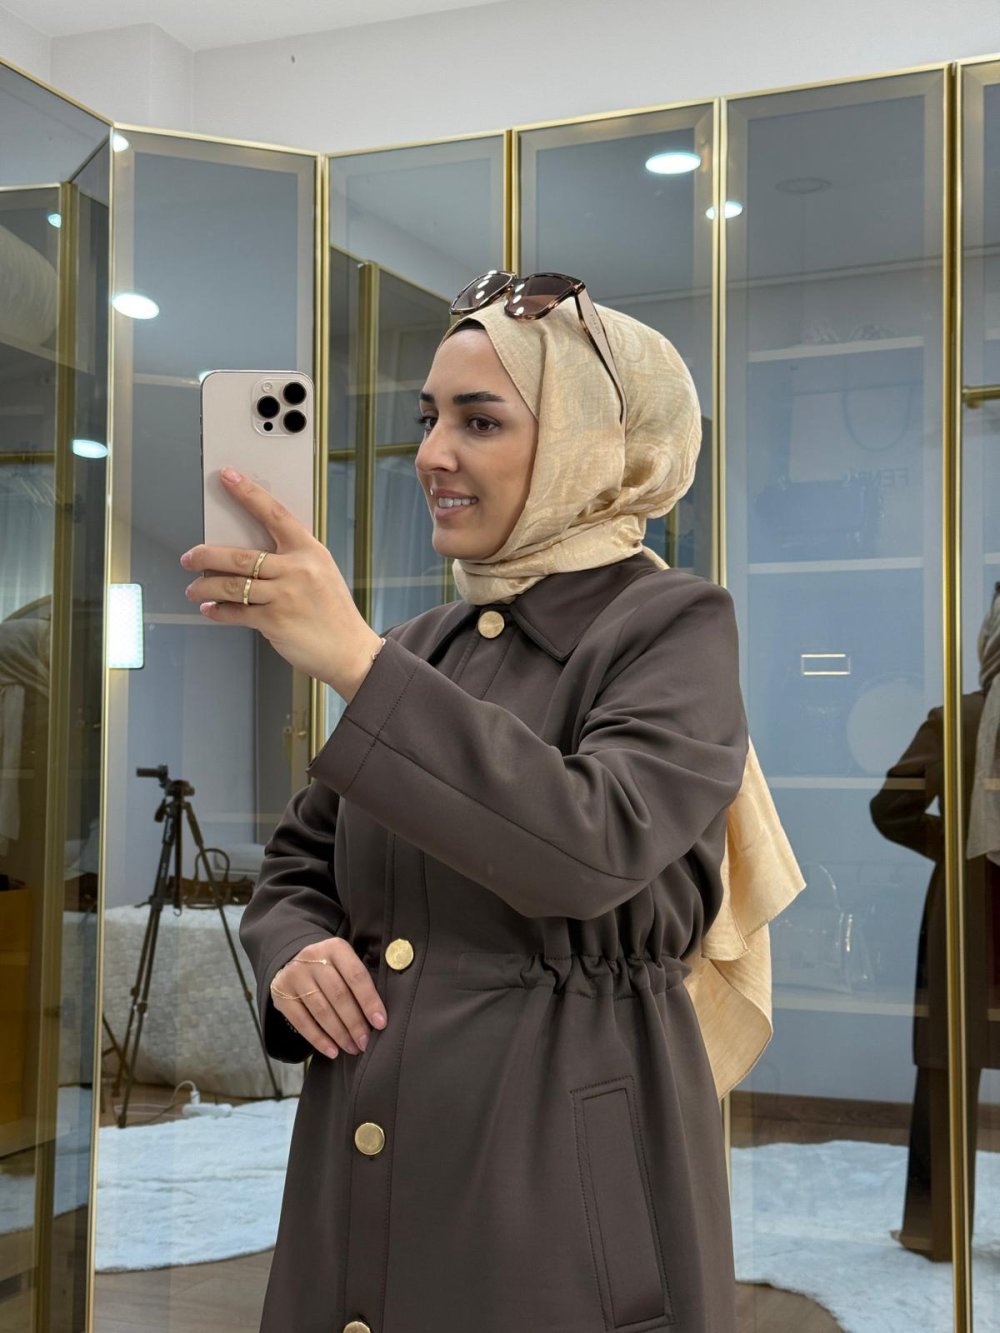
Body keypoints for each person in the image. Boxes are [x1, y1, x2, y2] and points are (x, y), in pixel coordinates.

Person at [179, 271, 803, 1333]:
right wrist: (294, 947)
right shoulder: (422, 646)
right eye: (428, 418)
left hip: (558, 1178)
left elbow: (590, 844)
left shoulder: (671, 625)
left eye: (479, 420)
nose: (432, 454)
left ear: (594, 443)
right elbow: (302, 860)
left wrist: (354, 660)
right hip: (363, 1144)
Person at [870, 583, 1000, 1261]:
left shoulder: (958, 719)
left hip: (968, 923)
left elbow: (889, 807)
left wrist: (955, 847)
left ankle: (935, 1231)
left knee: (947, 1072)